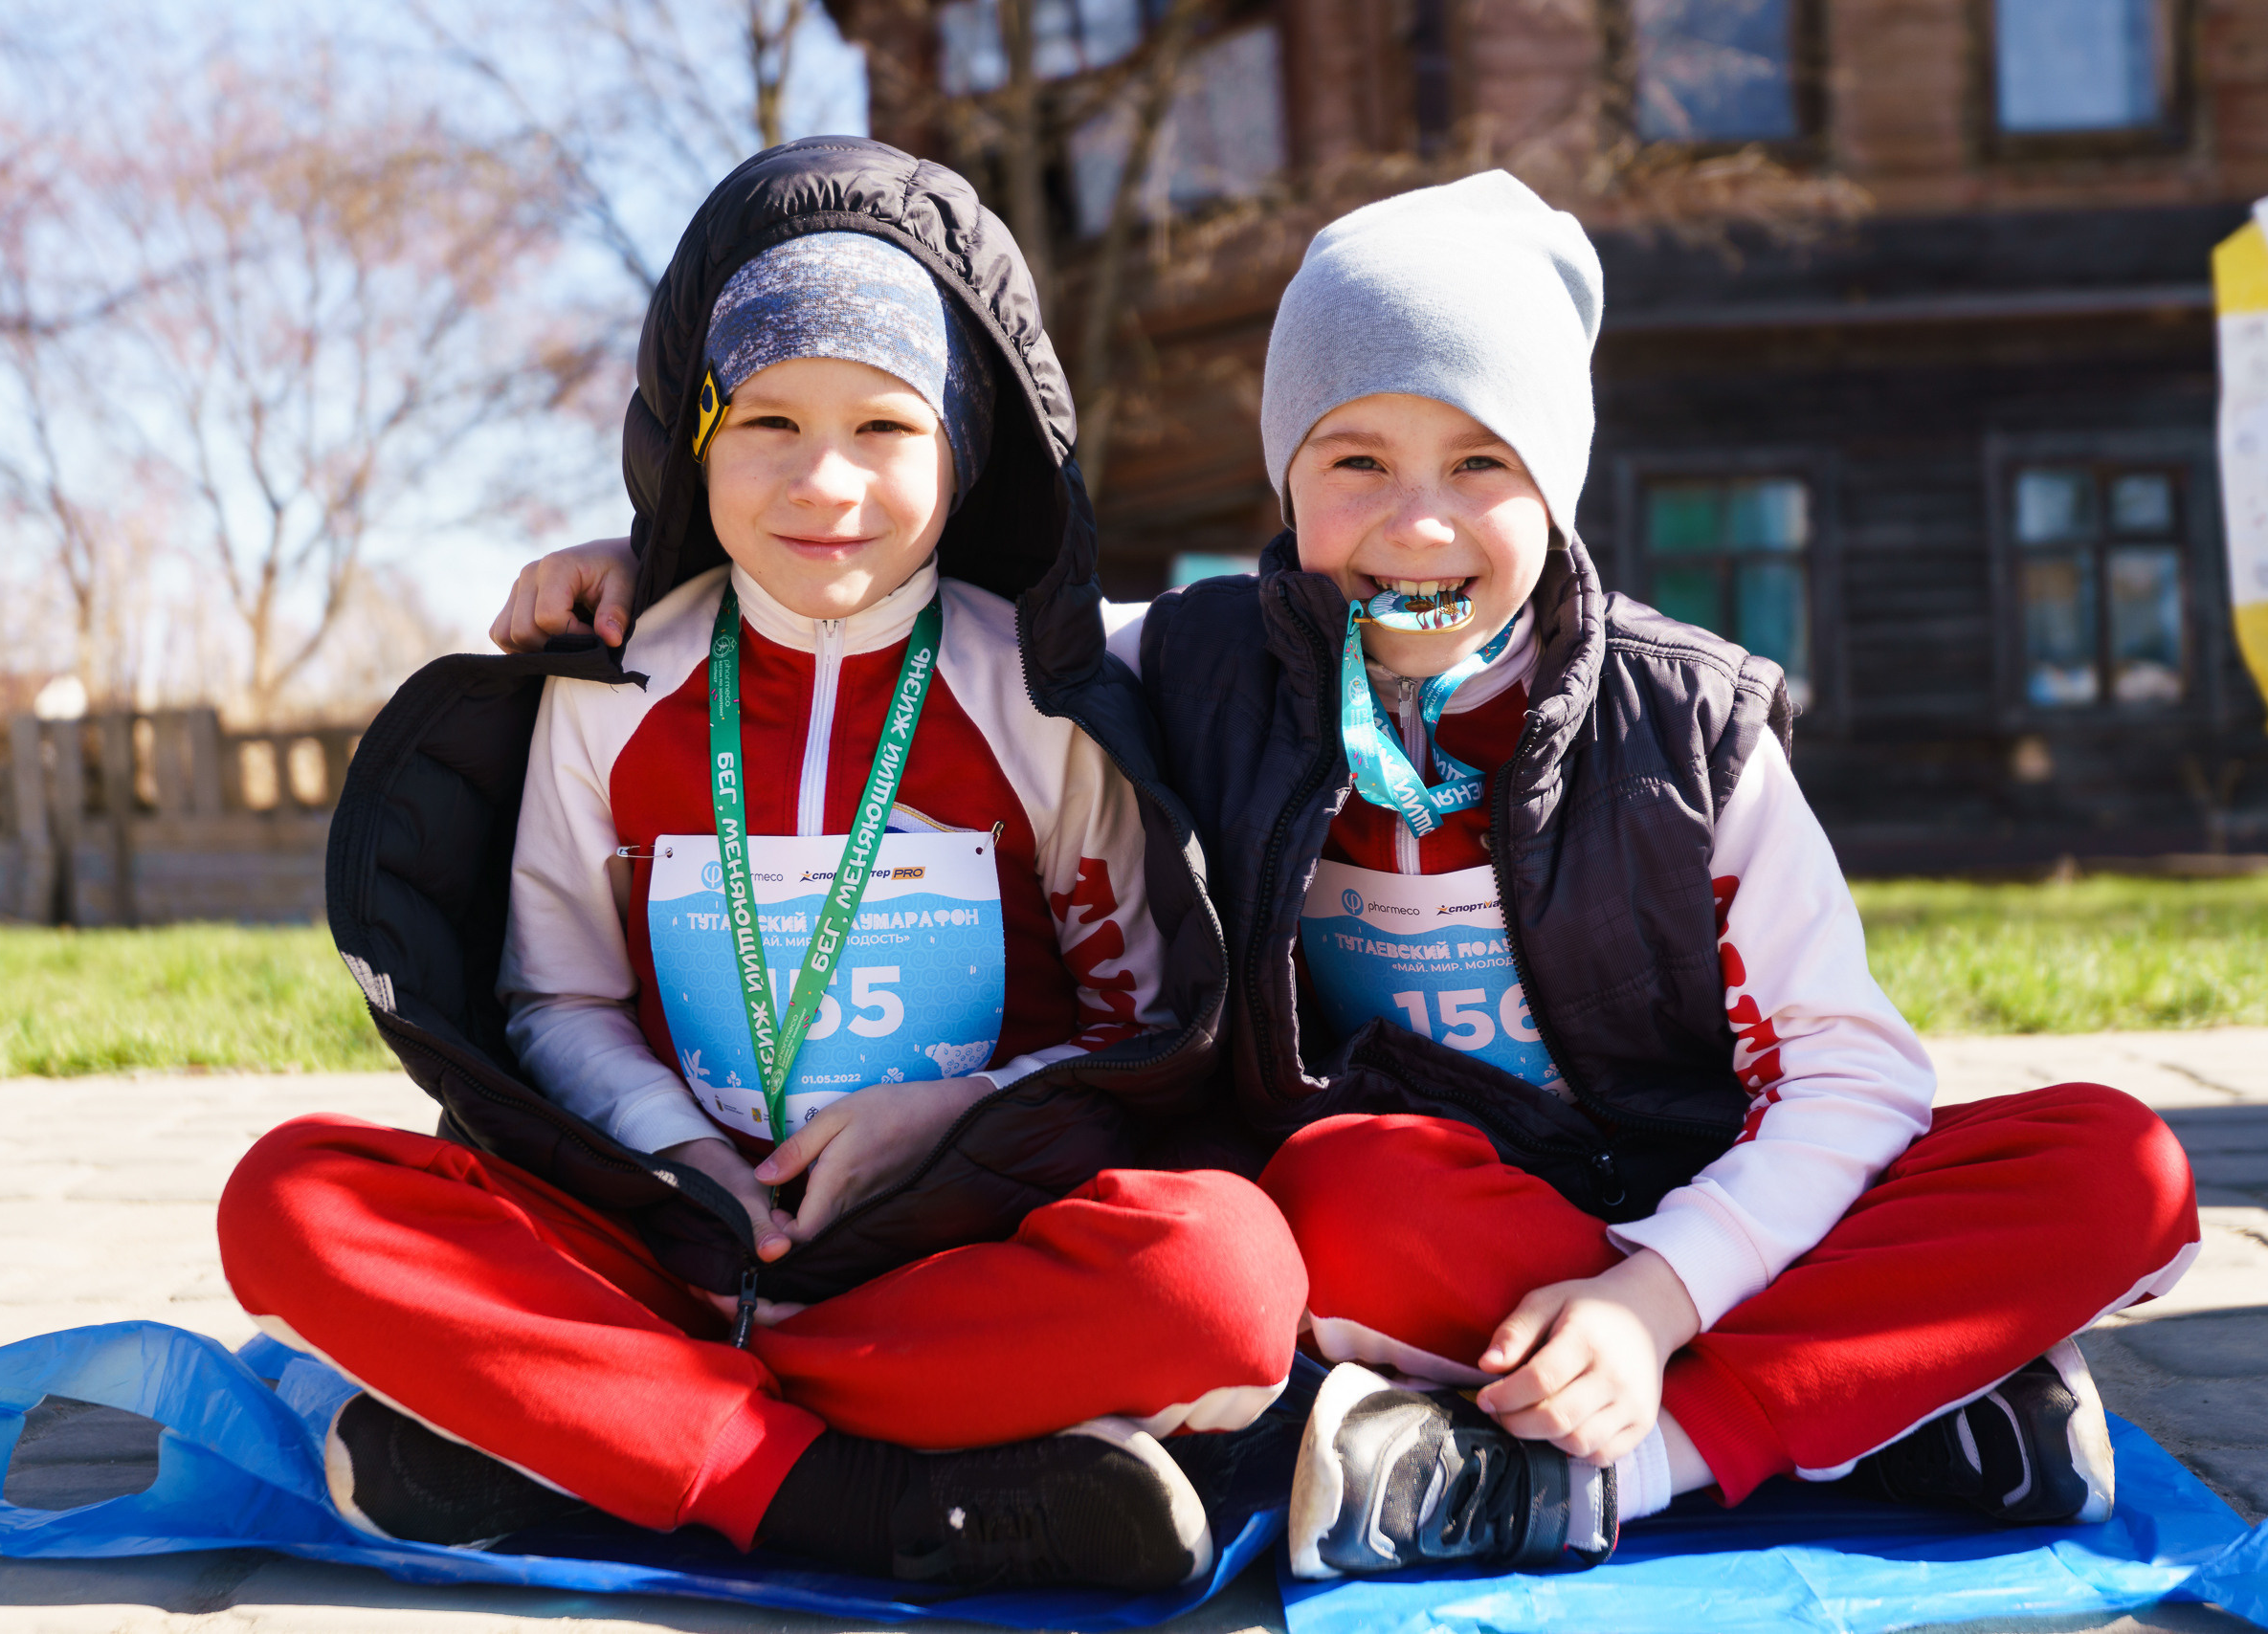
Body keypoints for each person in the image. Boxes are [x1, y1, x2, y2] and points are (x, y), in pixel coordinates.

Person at [487, 170, 2201, 1582]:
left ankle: (1664, 1454)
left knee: (2115, 1166)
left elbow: (1856, 1072)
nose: (1419, 523)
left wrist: (1652, 1302)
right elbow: (918, 589)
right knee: (1334, 1190)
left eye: (1483, 464)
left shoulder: (1692, 730)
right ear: (1285, 477)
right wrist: (656, 550)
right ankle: (1914, 1414)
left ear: (1562, 486)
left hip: (1704, 1227)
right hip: (1444, 1243)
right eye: (1354, 461)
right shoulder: (1202, 666)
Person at [219, 138, 1304, 1594]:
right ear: (696, 437)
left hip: (959, 1249)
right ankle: (854, 1494)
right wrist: (682, 1159)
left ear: (966, 447)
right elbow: (556, 999)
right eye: (768, 423)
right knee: (293, 1198)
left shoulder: (1038, 694)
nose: (824, 482)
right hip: (668, 1242)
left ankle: (595, 1439)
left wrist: (954, 1116)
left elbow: (1139, 1032)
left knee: (1223, 1282)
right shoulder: (611, 684)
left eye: (885, 430)